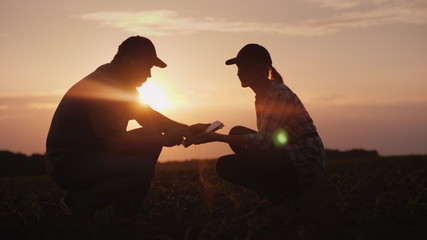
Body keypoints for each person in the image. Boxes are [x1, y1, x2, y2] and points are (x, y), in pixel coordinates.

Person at [46, 36, 207, 216]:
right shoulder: (102, 87)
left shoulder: (122, 83)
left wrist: (187, 129)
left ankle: (129, 207)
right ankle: (79, 202)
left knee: (150, 133)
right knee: (142, 168)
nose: (149, 74)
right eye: (147, 67)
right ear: (128, 62)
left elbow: (150, 118)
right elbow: (117, 144)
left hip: (92, 155)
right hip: (69, 165)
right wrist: (163, 139)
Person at [186, 44, 325, 205]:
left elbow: (264, 140)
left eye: (244, 67)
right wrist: (212, 134)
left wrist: (217, 137)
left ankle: (289, 193)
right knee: (225, 164)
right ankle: (277, 195)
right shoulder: (263, 96)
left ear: (262, 70)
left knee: (236, 133)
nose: (239, 73)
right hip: (289, 154)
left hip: (305, 158)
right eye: (238, 68)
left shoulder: (277, 94)